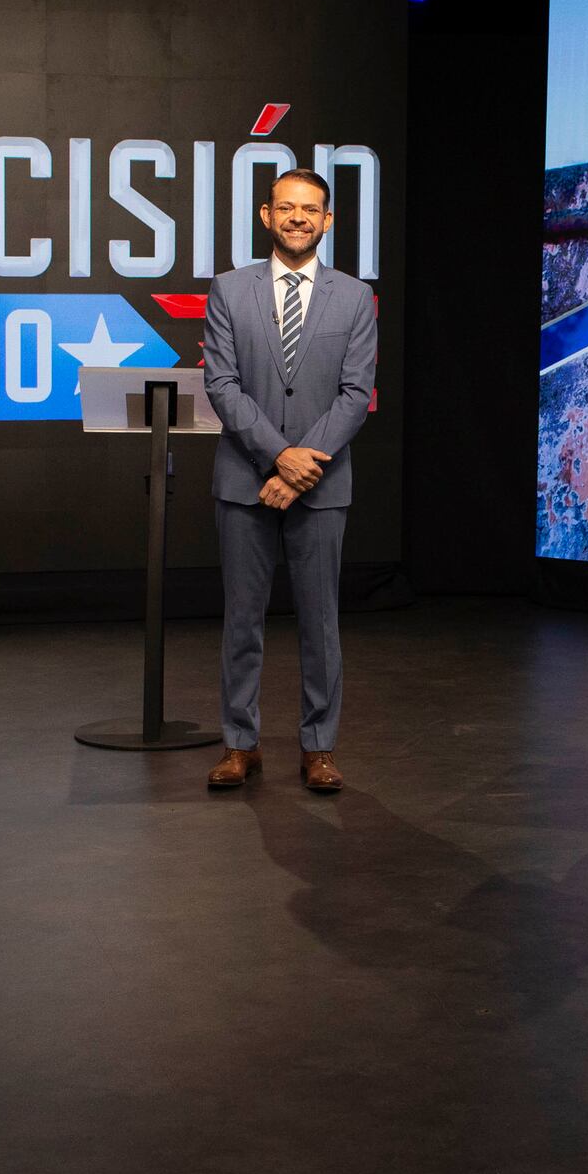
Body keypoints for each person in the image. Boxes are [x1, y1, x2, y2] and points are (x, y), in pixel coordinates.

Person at [199, 167, 378, 795]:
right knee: (241, 620)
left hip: (322, 485)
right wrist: (279, 458)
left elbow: (356, 395)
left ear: (327, 221)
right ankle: (238, 744)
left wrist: (303, 468)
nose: (298, 217)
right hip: (244, 480)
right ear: (266, 216)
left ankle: (319, 747)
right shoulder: (228, 289)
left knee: (320, 621)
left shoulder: (355, 297)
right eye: (286, 207)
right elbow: (221, 384)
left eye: (311, 209)